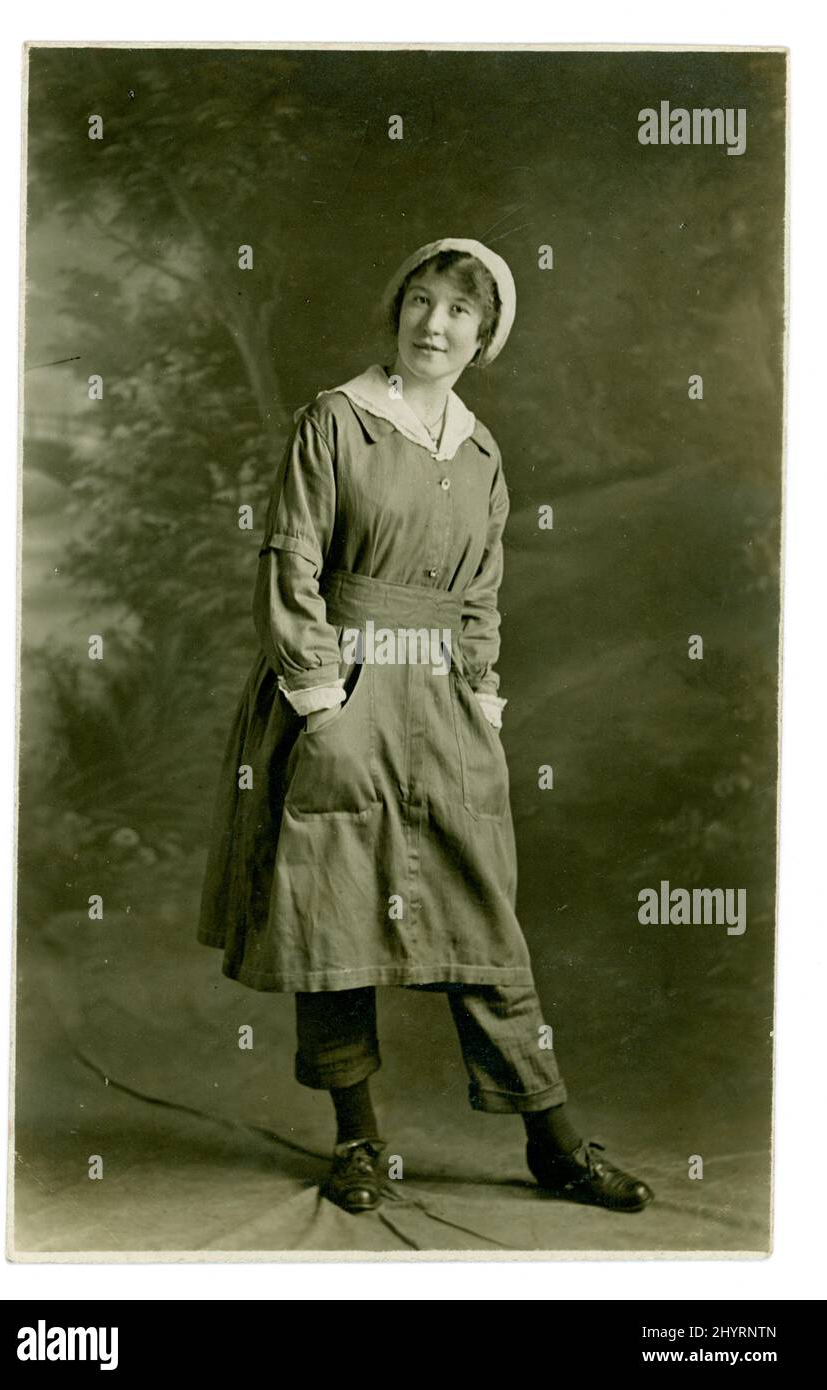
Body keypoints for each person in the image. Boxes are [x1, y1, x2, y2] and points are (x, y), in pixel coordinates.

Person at [197, 236, 654, 1216]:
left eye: (458, 310)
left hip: (443, 700)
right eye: (420, 300)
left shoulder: (482, 452)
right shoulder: (334, 421)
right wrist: (320, 701)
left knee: (480, 916)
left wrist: (481, 700)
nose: (433, 323)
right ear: (395, 310)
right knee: (335, 911)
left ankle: (553, 1139)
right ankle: (357, 1140)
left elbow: (481, 592)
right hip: (343, 688)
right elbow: (290, 566)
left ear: (483, 335)